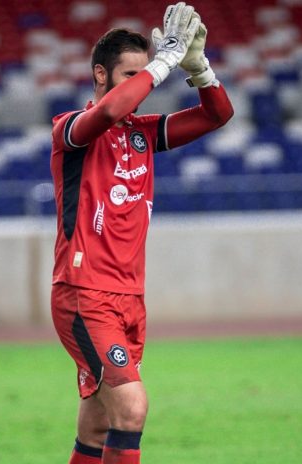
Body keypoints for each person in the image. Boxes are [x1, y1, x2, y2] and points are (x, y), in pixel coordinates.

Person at [49, 3, 233, 463]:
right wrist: (160, 62)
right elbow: (111, 110)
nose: (141, 82)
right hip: (83, 292)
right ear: (100, 74)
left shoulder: (144, 133)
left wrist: (198, 69)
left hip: (130, 296)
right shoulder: (71, 130)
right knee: (132, 409)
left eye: (143, 71)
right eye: (128, 73)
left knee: (97, 423)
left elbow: (218, 115)